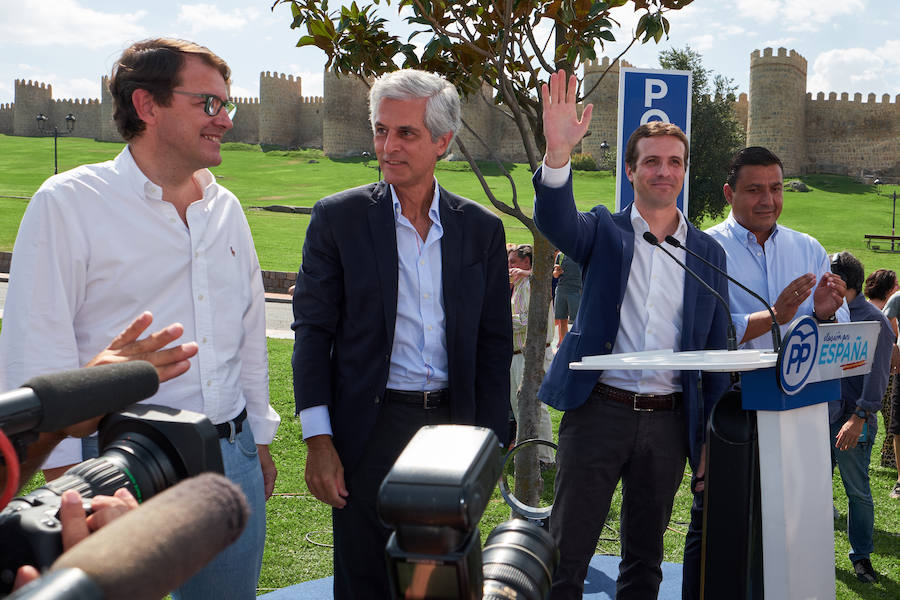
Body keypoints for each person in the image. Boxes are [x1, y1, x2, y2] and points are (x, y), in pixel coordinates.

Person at [0, 38, 281, 600]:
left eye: (227, 105)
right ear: (147, 105)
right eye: (208, 104)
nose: (225, 119)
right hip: (115, 468)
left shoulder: (225, 209)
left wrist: (260, 443)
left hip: (231, 458)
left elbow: (248, 332)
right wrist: (64, 493)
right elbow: (37, 350)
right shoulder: (68, 203)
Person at [291, 68, 512, 600]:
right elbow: (312, 334)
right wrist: (319, 440)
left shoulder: (481, 230)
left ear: (443, 141)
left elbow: (492, 343)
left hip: (452, 431)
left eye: (405, 133)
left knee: (441, 583)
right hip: (370, 429)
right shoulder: (336, 220)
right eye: (380, 130)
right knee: (366, 580)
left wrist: (491, 437)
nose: (388, 146)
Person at [533, 72, 730, 599]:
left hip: (668, 425)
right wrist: (557, 153)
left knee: (645, 563)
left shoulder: (708, 254)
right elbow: (556, 222)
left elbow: (717, 352)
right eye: (651, 161)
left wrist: (708, 437)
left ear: (685, 171)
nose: (663, 171)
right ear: (631, 169)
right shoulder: (604, 231)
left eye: (674, 162)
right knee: (565, 557)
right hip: (598, 412)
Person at [689, 146, 848, 598]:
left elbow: (821, 341)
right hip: (730, 405)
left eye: (775, 188)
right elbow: (706, 334)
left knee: (788, 522)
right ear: (729, 192)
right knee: (716, 521)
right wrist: (775, 314)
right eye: (754, 189)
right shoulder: (704, 248)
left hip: (798, 410)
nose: (767, 200)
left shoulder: (808, 248)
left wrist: (822, 316)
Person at [828, 251, 892, 583]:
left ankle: (862, 558)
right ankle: (809, 549)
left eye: (831, 276)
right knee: (810, 488)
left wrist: (860, 417)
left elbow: (879, 374)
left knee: (857, 491)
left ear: (846, 281)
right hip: (818, 417)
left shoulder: (873, 319)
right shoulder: (823, 315)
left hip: (853, 419)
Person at [508, 243, 555, 465]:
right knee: (519, 405)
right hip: (519, 353)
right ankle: (529, 453)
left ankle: (545, 458)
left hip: (531, 353)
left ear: (526, 262)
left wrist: (501, 320)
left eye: (513, 263)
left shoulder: (529, 284)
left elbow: (526, 319)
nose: (509, 267)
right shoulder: (521, 284)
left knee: (536, 405)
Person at [876, 274, 900, 496]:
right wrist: (893, 347)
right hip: (896, 372)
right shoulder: (896, 300)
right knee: (896, 423)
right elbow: (886, 328)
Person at [552, 251, 582, 346]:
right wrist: (557, 272)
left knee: (577, 320)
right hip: (561, 289)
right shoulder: (561, 256)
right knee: (562, 319)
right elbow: (555, 274)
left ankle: (577, 343)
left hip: (576, 290)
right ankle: (563, 344)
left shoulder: (581, 252)